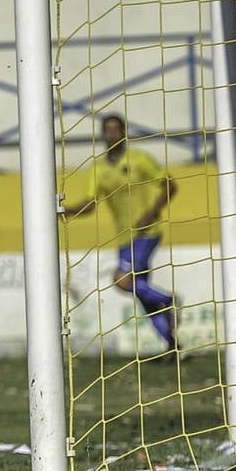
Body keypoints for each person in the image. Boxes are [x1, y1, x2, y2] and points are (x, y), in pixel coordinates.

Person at [62, 114, 180, 353]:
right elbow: (90, 204)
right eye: (108, 130)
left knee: (121, 279)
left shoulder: (139, 160)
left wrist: (152, 211)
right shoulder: (99, 169)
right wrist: (66, 210)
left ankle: (169, 300)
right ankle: (172, 346)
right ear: (102, 134)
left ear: (124, 133)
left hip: (147, 232)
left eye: (117, 130)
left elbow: (170, 184)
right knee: (141, 291)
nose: (112, 135)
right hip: (124, 237)